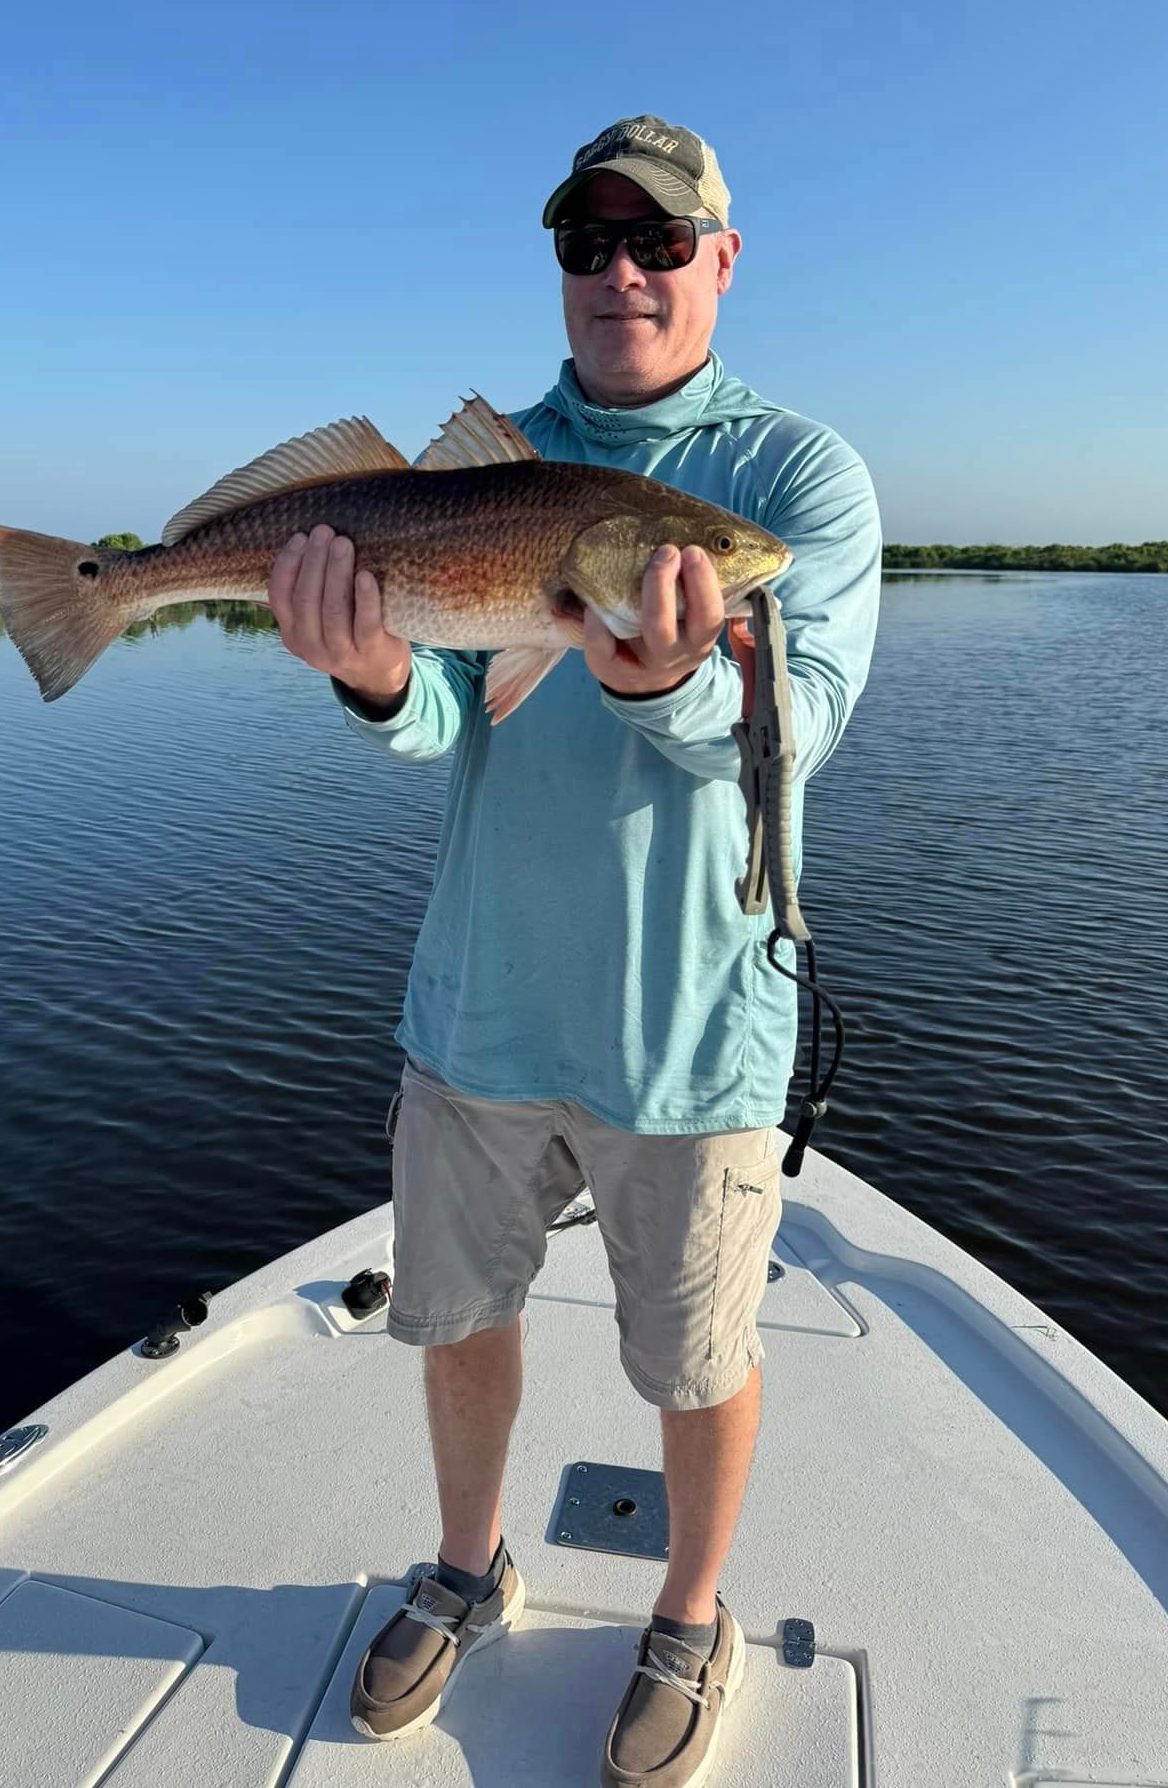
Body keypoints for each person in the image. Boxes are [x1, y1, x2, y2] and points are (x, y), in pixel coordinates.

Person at [268, 115, 881, 1786]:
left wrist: (660, 675)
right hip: (479, 1004)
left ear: (721, 260)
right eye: (586, 241)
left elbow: (798, 724)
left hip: (695, 1023)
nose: (621, 270)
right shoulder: (488, 468)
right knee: (458, 1320)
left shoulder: (795, 481)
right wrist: (377, 677)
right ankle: (469, 1569)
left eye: (659, 242)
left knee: (697, 1351)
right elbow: (446, 708)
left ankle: (690, 1613)